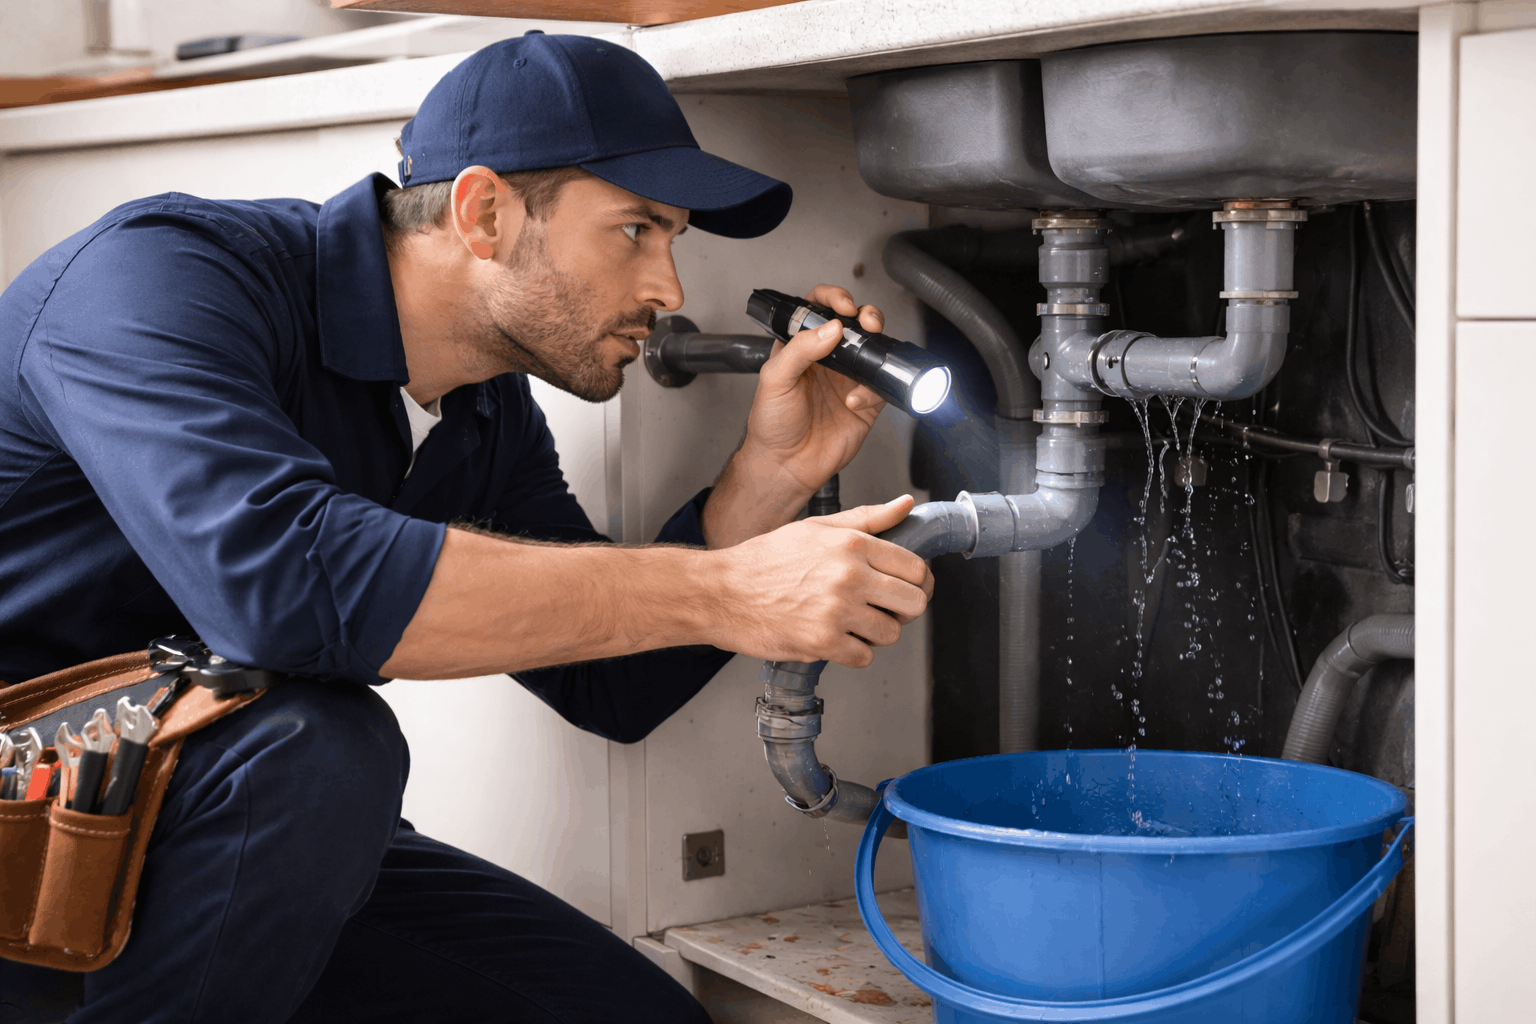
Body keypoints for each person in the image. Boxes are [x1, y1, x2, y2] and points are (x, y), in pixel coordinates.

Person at [0, 32, 932, 1023]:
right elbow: (286, 591)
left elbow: (608, 680)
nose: (670, 289)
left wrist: (768, 477)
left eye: (677, 241)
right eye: (636, 230)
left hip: (212, 821)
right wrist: (736, 588)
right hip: (37, 818)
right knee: (323, 746)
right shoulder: (163, 282)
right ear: (484, 210)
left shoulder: (481, 412)